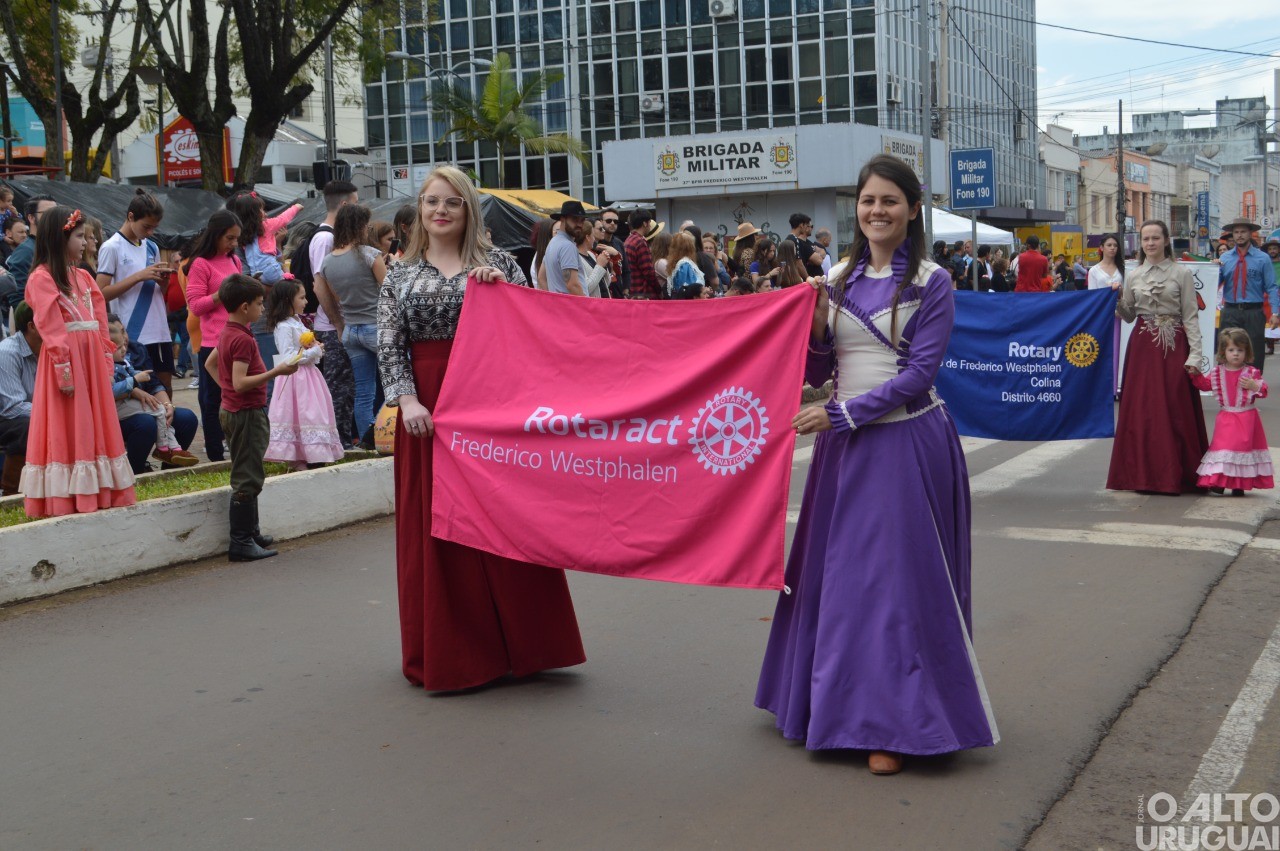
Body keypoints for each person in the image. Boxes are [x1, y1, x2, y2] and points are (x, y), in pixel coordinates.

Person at [756, 154, 998, 775]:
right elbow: (817, 372)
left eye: (890, 201)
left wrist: (842, 415)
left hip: (904, 442)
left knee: (892, 587)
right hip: (845, 449)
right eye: (868, 201)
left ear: (913, 210)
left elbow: (921, 376)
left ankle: (893, 723)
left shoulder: (932, 281)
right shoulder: (833, 278)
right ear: (855, 208)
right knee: (838, 580)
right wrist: (811, 330)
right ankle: (827, 706)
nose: (877, 211)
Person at [376, 164, 586, 691]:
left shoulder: (500, 265)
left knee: (503, 523)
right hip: (425, 414)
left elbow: (532, 334)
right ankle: (451, 653)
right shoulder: (399, 273)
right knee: (437, 532)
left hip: (488, 411)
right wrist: (407, 401)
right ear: (419, 211)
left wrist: (501, 298)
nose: (440, 211)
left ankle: (521, 647)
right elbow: (389, 344)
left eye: (451, 202)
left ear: (468, 207)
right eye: (431, 202)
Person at [19, 207, 136, 517]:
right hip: (67, 359)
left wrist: (105, 356)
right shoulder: (41, 278)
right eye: (80, 236)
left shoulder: (83, 276)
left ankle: (99, 491)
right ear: (61, 238)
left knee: (94, 420)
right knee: (70, 422)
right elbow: (50, 327)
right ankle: (68, 498)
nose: (87, 242)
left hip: (90, 359)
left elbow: (99, 318)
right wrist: (64, 369)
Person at [1107, 220, 1208, 495]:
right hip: (1142, 348)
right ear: (1140, 243)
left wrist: (1196, 355)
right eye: (1145, 238)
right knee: (1143, 411)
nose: (1150, 243)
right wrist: (1112, 299)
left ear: (1166, 241)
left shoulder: (1182, 273)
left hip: (1175, 346)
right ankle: (1141, 476)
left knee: (1175, 409)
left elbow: (1190, 316)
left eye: (1155, 238)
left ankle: (1175, 475)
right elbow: (1127, 314)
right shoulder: (1134, 274)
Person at [204, 274, 299, 561]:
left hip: (233, 409)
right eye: (259, 304)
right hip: (246, 413)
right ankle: (241, 541)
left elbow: (211, 364)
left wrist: (227, 392)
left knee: (249, 467)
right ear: (244, 307)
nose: (263, 309)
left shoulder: (229, 331)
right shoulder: (242, 339)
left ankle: (251, 531)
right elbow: (241, 382)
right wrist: (276, 372)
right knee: (248, 476)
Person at [314, 203, 386, 440]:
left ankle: (367, 439)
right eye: (366, 224)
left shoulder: (327, 262)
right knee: (399, 379)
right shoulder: (370, 255)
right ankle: (392, 434)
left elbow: (336, 298)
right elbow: (388, 292)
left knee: (363, 391)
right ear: (359, 226)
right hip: (376, 326)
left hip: (351, 330)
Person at [97, 190, 175, 395]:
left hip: (159, 330)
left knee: (165, 389)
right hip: (132, 333)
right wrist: (140, 276)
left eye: (154, 228)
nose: (150, 232)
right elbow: (100, 293)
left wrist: (163, 282)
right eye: (146, 226)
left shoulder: (152, 247)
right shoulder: (111, 247)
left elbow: (159, 291)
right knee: (140, 390)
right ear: (131, 217)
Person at [263, 279, 344, 468]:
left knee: (313, 414)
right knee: (302, 414)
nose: (306, 301)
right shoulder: (284, 326)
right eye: (301, 297)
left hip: (308, 377)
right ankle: (301, 456)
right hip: (295, 379)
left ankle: (313, 454)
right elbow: (288, 358)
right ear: (287, 300)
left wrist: (314, 349)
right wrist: (314, 352)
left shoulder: (296, 321)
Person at [185, 209, 245, 462]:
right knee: (212, 401)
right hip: (214, 343)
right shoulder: (201, 264)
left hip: (239, 338)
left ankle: (240, 447)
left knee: (240, 396)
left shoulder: (234, 260)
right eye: (229, 238)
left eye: (236, 239)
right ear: (216, 235)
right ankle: (215, 453)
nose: (234, 243)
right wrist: (224, 293)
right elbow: (196, 305)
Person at [106, 314, 199, 472]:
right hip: (117, 414)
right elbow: (107, 391)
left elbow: (154, 383)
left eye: (123, 331)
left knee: (186, 418)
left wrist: (167, 405)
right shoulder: (102, 359)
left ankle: (172, 466)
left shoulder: (137, 349)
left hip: (144, 407)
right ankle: (136, 469)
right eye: (118, 335)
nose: (123, 338)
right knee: (146, 423)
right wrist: (134, 389)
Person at [306, 180, 360, 447]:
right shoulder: (325, 238)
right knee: (338, 389)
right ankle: (339, 444)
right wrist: (339, 324)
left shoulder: (332, 236)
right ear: (345, 205)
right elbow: (320, 285)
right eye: (356, 202)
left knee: (347, 387)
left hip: (338, 324)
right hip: (331, 327)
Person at [1190, 328, 1273, 495]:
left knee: (1240, 449)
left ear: (1247, 352)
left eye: (1240, 350)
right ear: (1223, 352)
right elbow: (1205, 385)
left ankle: (1238, 485)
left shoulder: (1251, 373)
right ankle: (1218, 482)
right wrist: (1195, 374)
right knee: (1224, 448)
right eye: (1231, 350)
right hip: (1226, 417)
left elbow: (1263, 390)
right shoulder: (1217, 372)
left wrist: (1253, 385)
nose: (1236, 354)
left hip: (1246, 417)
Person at [1218, 217, 1279, 374]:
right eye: (1236, 232)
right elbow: (1214, 284)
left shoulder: (1263, 258)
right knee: (1227, 348)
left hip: (1254, 311)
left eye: (1243, 232)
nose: (1239, 235)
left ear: (1250, 233)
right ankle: (1228, 383)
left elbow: (1271, 287)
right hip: (1230, 310)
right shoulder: (1224, 259)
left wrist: (1275, 312)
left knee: (1255, 349)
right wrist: (1213, 269)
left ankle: (1253, 385)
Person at [0, 300, 37, 494]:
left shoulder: (53, 349)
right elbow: (12, 407)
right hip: (7, 416)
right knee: (26, 425)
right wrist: (51, 414)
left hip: (33, 411)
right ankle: (10, 492)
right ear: (32, 326)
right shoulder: (7, 352)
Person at [7, 195, 56, 301]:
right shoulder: (25, 252)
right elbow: (17, 298)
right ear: (31, 218)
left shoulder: (57, 248)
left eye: (56, 214)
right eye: (48, 214)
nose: (55, 218)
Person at [543, 201, 589, 295]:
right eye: (575, 219)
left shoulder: (553, 242)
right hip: (572, 307)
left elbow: (541, 278)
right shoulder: (567, 246)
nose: (579, 224)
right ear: (563, 219)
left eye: (582, 220)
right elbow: (572, 285)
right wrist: (587, 307)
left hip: (560, 306)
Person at [624, 209, 663, 299]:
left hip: (633, 292)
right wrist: (659, 290)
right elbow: (648, 272)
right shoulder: (640, 242)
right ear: (645, 223)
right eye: (649, 223)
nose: (649, 226)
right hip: (644, 294)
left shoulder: (628, 240)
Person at [667, 231, 706, 299]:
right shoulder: (685, 265)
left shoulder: (677, 263)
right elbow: (691, 289)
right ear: (690, 247)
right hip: (690, 305)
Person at [599, 208, 629, 296]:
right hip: (602, 295)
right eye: (608, 221)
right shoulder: (596, 243)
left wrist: (626, 291)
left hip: (619, 295)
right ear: (601, 222)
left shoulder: (619, 243)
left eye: (615, 221)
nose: (612, 223)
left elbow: (626, 270)